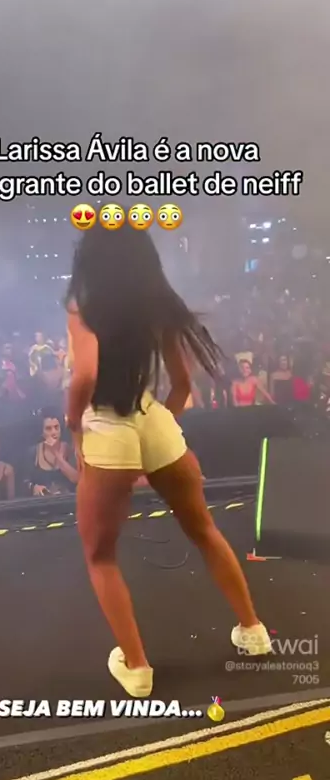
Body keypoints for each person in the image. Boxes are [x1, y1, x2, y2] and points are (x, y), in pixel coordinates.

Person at [65, 224, 272, 698]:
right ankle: (254, 631)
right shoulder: (156, 304)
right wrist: (157, 436)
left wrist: (74, 423)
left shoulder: (83, 305)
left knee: (100, 556)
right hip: (151, 419)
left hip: (106, 426)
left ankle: (137, 668)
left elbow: (86, 375)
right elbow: (181, 386)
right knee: (204, 530)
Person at [25, 412, 78, 496]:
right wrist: (34, 487)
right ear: (42, 432)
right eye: (48, 429)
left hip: (67, 500)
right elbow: (25, 481)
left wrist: (55, 452)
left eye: (56, 427)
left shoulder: (70, 449)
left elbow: (76, 479)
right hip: (42, 501)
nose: (54, 432)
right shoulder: (33, 452)